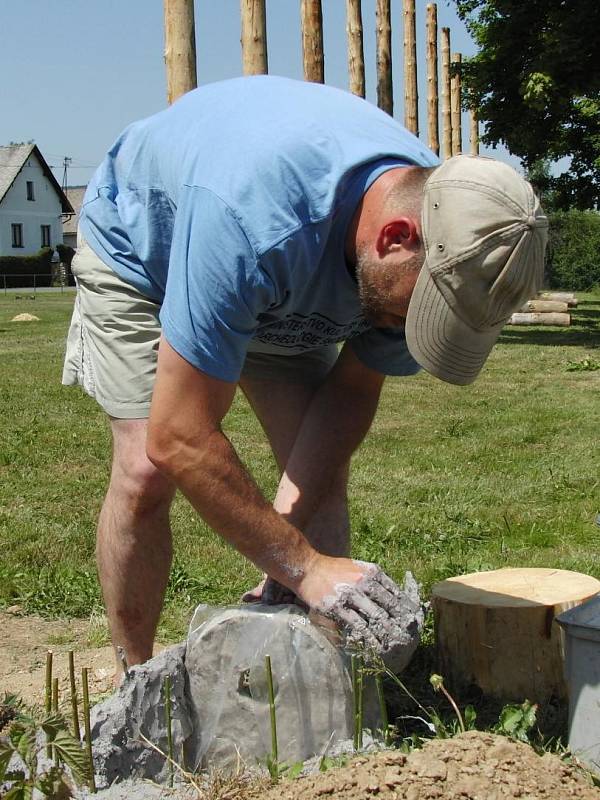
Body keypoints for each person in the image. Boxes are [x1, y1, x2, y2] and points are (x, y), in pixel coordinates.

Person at [62, 75, 548, 674]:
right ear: (395, 239)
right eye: (413, 312)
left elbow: (350, 392)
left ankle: (317, 689)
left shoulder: (446, 224)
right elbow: (179, 434)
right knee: (143, 470)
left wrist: (287, 551)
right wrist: (305, 566)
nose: (406, 329)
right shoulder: (253, 215)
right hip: (144, 249)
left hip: (289, 269)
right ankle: (133, 684)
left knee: (317, 482)